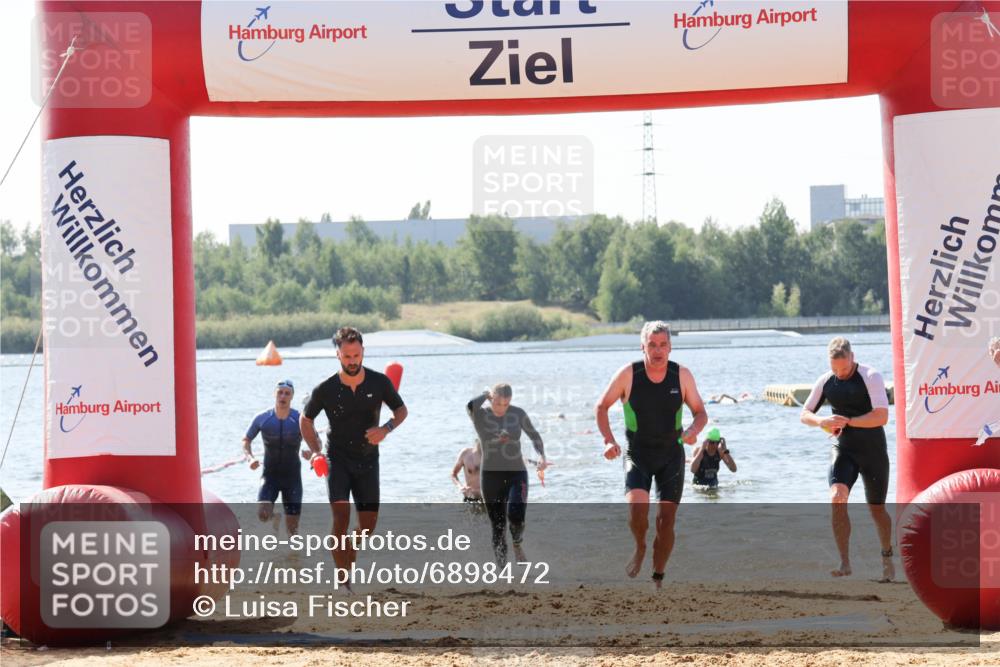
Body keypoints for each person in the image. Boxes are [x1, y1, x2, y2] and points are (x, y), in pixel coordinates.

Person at [595, 320, 708, 588]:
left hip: (671, 456)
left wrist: (693, 429)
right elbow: (601, 407)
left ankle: (658, 574)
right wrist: (608, 441)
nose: (657, 351)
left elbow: (700, 412)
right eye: (652, 345)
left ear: (670, 347)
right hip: (638, 454)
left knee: (665, 521)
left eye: (663, 345)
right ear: (642, 346)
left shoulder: (681, 375)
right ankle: (639, 546)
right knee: (637, 510)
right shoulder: (628, 374)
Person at [300, 327, 408, 579]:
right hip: (337, 459)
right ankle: (343, 581)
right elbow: (306, 420)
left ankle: (348, 549)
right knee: (340, 518)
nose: (352, 361)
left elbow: (401, 411)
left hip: (369, 460)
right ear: (337, 355)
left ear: (363, 353)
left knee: (368, 527)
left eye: (356, 355)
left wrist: (386, 429)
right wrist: (316, 451)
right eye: (347, 356)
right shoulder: (325, 389)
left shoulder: (379, 382)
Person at [800, 336, 894, 582]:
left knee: (877, 511)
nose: (839, 374)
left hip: (872, 451)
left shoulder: (871, 376)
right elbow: (805, 414)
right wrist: (822, 421)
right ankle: (844, 562)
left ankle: (887, 556)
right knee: (837, 497)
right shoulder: (826, 381)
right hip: (843, 449)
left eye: (843, 368)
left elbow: (881, 416)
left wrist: (849, 421)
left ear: (852, 357)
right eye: (834, 369)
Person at [467, 383, 548, 564]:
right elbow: (470, 406)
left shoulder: (517, 413)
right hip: (490, 476)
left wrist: (541, 456)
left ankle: (517, 543)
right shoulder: (481, 415)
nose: (501, 408)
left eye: (505, 404)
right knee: (498, 527)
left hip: (516, 472)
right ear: (491, 398)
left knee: (516, 515)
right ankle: (503, 572)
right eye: (497, 403)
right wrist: (485, 394)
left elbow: (534, 436)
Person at [243, 379, 305, 536]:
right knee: (263, 514)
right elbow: (246, 440)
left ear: (292, 397)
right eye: (280, 392)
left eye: (287, 393)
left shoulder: (299, 419)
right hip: (270, 475)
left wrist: (312, 454)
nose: (283, 396)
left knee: (292, 530)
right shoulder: (263, 418)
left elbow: (315, 440)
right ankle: (274, 517)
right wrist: (250, 458)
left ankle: (292, 558)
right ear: (274, 394)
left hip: (292, 478)